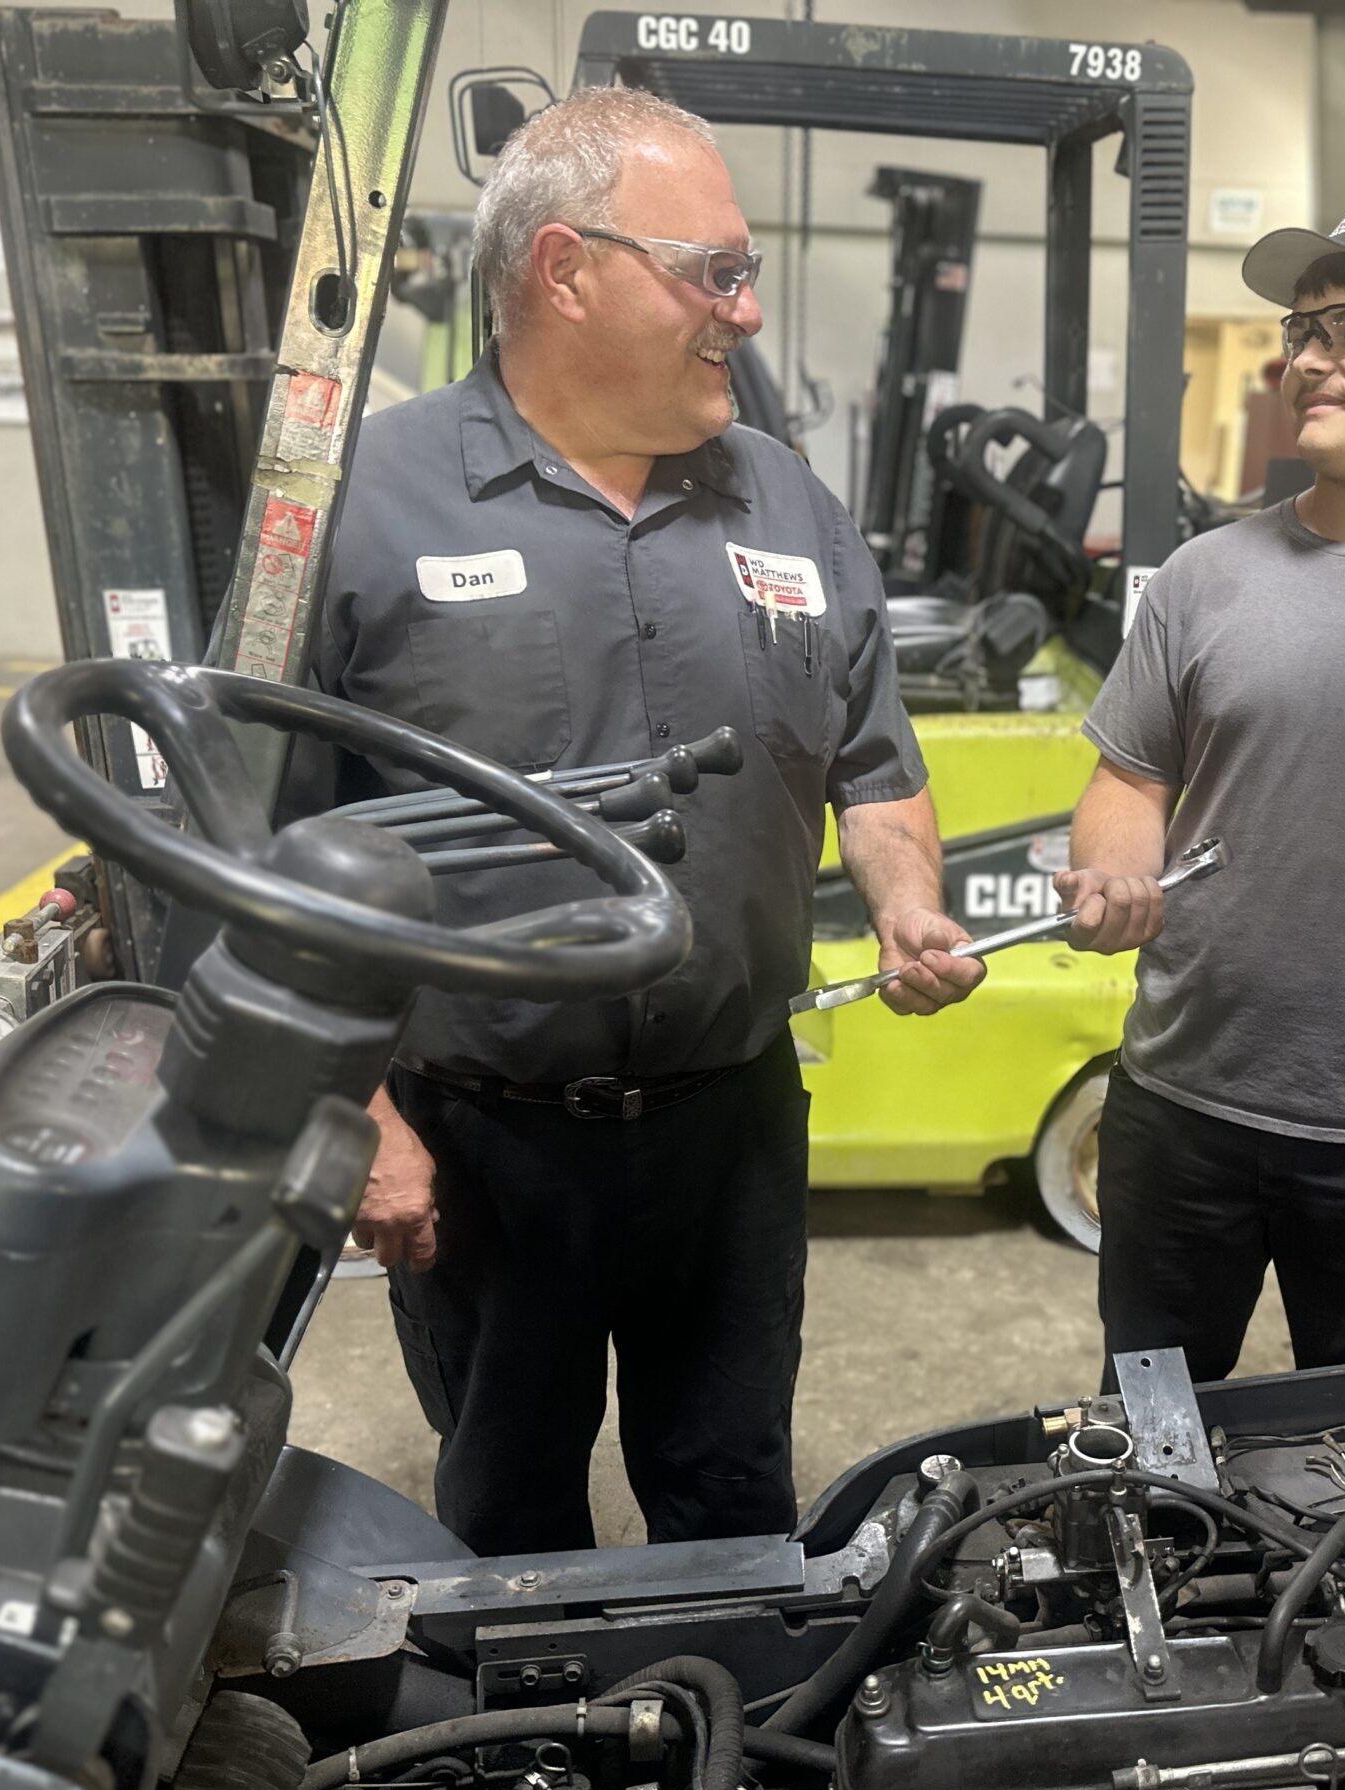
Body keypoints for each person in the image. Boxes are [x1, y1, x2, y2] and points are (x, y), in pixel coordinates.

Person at [298, 88, 983, 1555]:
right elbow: (263, 854)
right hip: (481, 1143)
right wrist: (355, 1114)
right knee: (508, 1520)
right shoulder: (363, 504)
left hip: (729, 1127)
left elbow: (873, 762)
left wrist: (909, 900)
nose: (747, 310)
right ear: (566, 270)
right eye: (715, 271)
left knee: (733, 1500)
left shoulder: (788, 505)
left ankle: (725, 1706)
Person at [1053, 190, 1345, 1382]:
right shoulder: (1206, 576)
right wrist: (1113, 867)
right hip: (1177, 1105)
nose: (1307, 358)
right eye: (1301, 331)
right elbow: (1129, 777)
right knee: (1151, 1433)